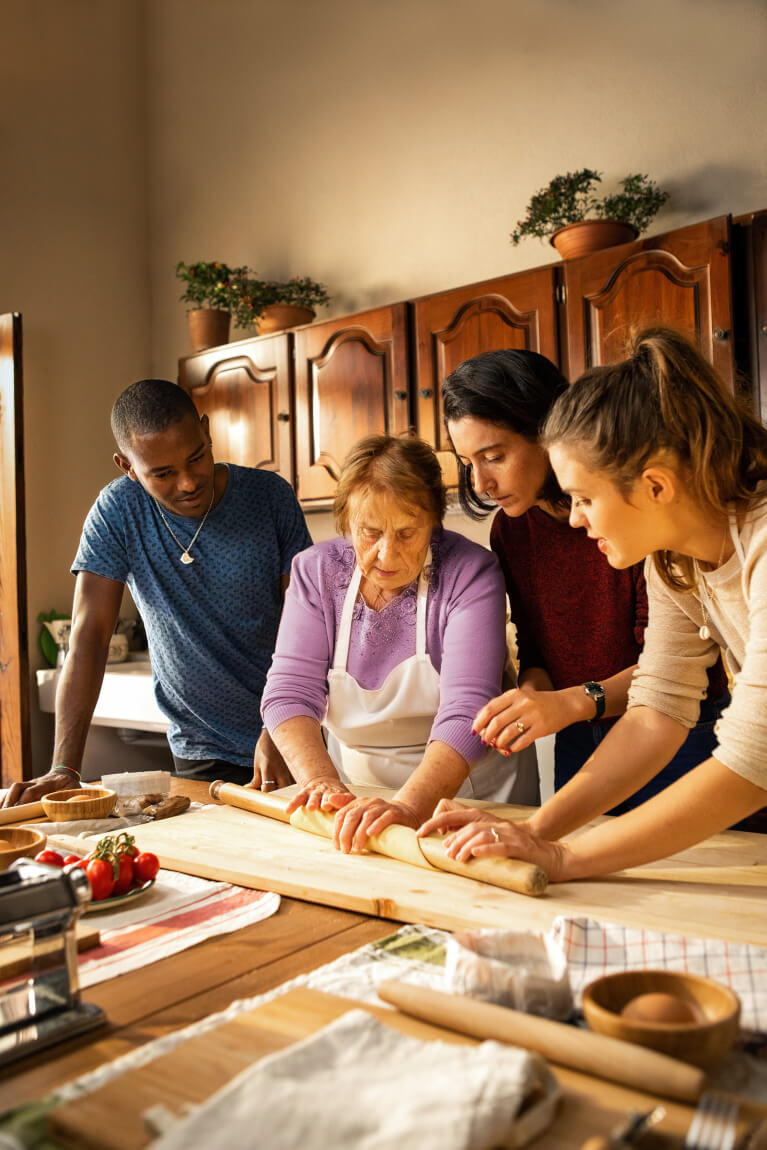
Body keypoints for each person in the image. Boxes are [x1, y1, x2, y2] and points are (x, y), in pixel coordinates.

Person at [420, 328, 767, 880]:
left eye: (584, 498)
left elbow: (755, 755)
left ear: (655, 486)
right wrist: (536, 831)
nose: (576, 519)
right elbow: (658, 706)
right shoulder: (670, 560)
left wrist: (562, 857)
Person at [441, 348, 728, 812]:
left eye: (494, 456)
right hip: (579, 737)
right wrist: (533, 700)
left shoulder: (638, 516)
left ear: (548, 432)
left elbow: (672, 674)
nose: (480, 483)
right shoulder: (512, 530)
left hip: (680, 734)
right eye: (467, 461)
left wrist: (574, 702)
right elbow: (537, 650)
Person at [2, 379, 311, 807]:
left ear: (206, 431)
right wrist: (64, 769)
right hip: (202, 751)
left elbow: (308, 627)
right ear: (126, 466)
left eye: (197, 457)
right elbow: (88, 637)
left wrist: (285, 724)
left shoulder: (269, 497)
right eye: (163, 473)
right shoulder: (117, 512)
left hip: (293, 737)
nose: (187, 482)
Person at [260, 433, 539, 854]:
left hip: (470, 796)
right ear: (347, 523)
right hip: (354, 798)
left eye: (408, 533)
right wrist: (321, 783)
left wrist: (409, 805)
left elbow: (468, 709)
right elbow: (289, 692)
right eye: (369, 534)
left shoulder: (470, 571)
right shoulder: (315, 572)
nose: (387, 556)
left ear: (434, 521)